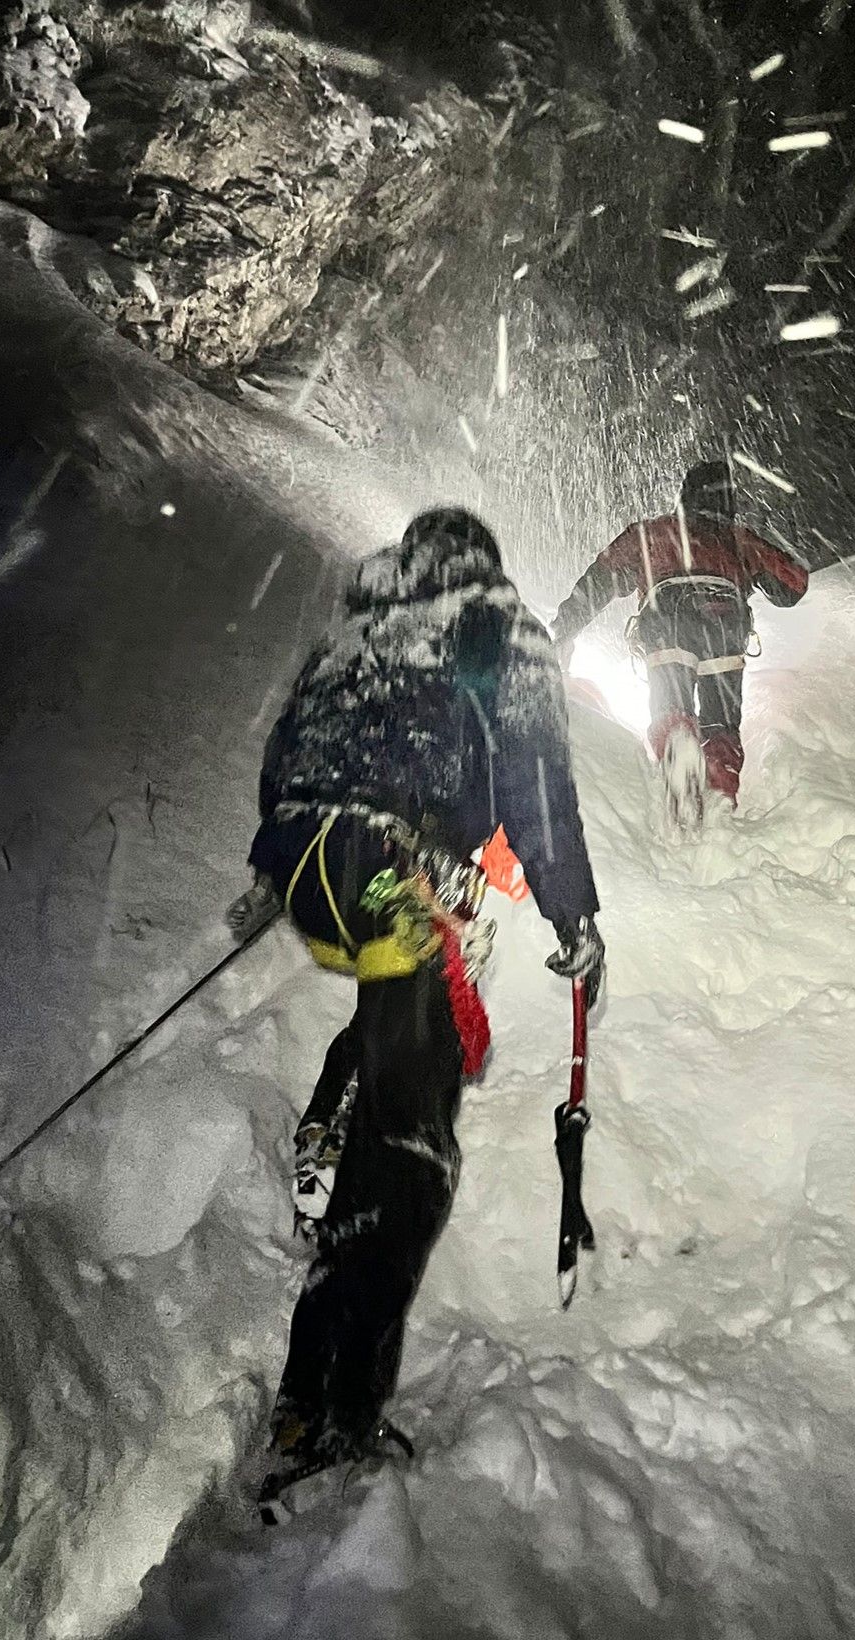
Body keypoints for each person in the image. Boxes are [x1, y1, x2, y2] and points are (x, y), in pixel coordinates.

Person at [230, 507, 606, 1500]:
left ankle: (316, 1375)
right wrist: (574, 916)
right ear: (481, 561)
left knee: (397, 1073)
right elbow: (536, 788)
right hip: (395, 874)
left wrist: (287, 865)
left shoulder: (357, 630)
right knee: (411, 1148)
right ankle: (332, 1405)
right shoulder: (495, 627)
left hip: (314, 867)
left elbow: (281, 761)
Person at [551, 460, 811, 811]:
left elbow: (599, 581)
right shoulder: (738, 540)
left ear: (684, 497)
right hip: (725, 623)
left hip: (667, 620)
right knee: (720, 721)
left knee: (671, 710)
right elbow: (793, 585)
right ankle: (719, 786)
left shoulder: (654, 534)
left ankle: (679, 751)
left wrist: (564, 629)